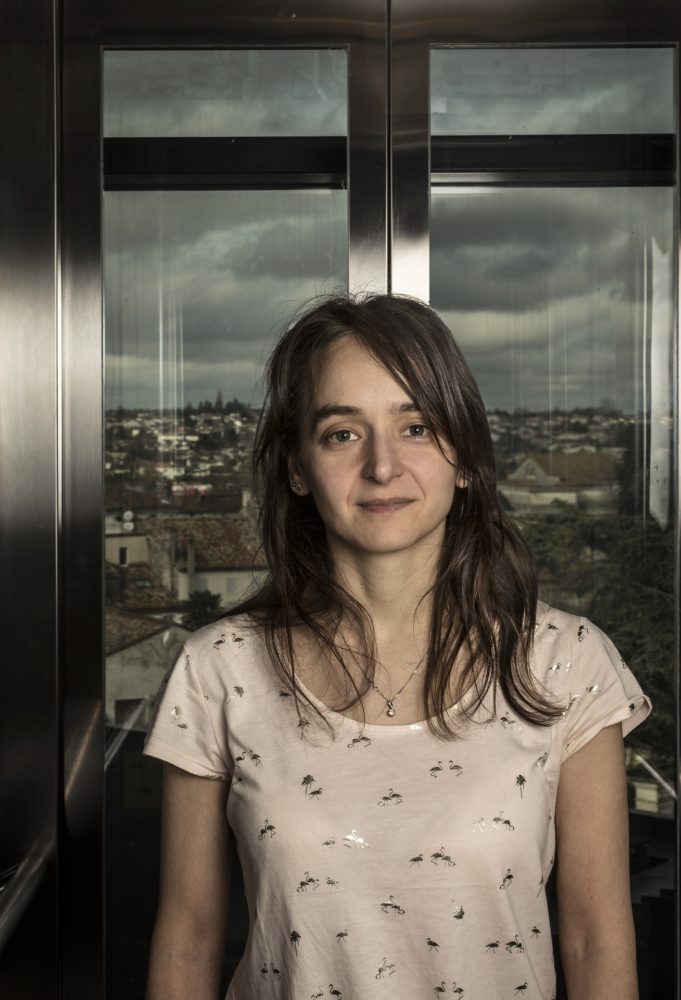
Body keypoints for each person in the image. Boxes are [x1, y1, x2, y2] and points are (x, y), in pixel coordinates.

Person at [142, 294, 651, 1000]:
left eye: (416, 427)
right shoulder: (217, 670)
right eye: (342, 434)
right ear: (298, 468)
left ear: (464, 458)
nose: (383, 466)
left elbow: (596, 943)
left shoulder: (567, 663)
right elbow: (188, 943)